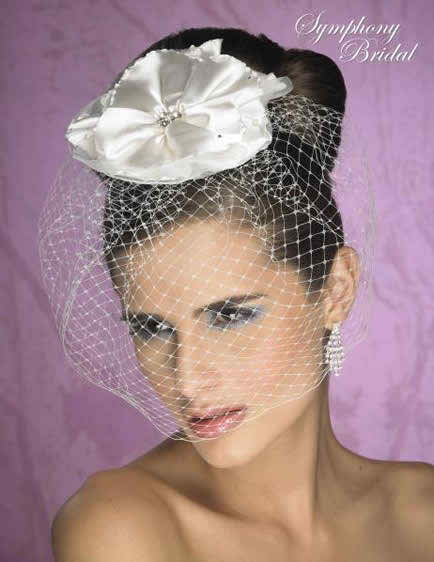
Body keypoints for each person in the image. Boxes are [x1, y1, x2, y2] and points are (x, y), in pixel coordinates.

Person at [46, 27, 434, 561]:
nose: (188, 379)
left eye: (229, 316)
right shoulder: (120, 530)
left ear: (336, 288)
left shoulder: (421, 515)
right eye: (151, 327)